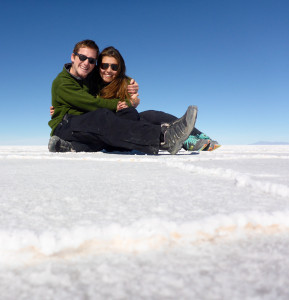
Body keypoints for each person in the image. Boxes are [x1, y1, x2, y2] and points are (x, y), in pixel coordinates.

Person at [48, 39, 199, 155]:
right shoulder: (63, 82)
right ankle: (164, 138)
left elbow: (121, 84)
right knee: (102, 117)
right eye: (82, 57)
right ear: (73, 57)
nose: (86, 63)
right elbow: (90, 103)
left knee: (132, 114)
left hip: (85, 127)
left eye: (92, 60)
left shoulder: (88, 78)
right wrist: (116, 105)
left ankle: (71, 147)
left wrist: (131, 97)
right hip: (67, 125)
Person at [94, 46, 220, 152]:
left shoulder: (124, 84)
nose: (108, 70)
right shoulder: (92, 84)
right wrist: (128, 102)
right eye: (104, 65)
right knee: (141, 120)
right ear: (98, 66)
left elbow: (130, 104)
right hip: (114, 129)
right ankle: (187, 141)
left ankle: (197, 134)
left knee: (152, 115)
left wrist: (132, 99)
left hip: (128, 118)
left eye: (114, 67)